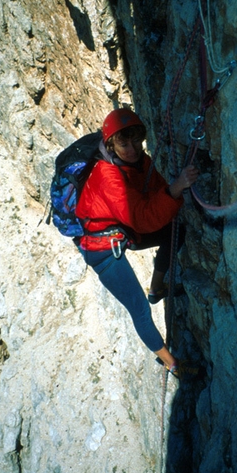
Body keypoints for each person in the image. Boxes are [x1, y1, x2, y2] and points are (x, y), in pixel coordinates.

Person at [75, 107, 199, 376]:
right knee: (139, 309)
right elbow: (142, 218)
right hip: (100, 248)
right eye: (124, 143)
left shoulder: (139, 161)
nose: (132, 149)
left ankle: (157, 288)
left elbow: (156, 195)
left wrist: (171, 189)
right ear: (111, 144)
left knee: (173, 229)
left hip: (122, 231)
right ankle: (172, 364)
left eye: (136, 141)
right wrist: (176, 188)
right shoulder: (107, 176)